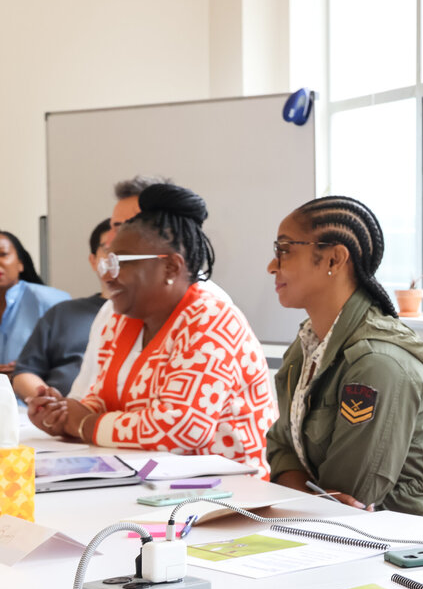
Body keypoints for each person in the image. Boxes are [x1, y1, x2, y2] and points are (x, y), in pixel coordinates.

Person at [26, 184, 277, 470]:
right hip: (145, 481)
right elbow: (104, 399)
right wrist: (61, 416)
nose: (107, 275)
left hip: (226, 495)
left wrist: (84, 423)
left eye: (120, 263)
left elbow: (183, 427)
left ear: (170, 267)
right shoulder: (121, 319)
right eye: (107, 262)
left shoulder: (210, 318)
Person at [265, 195, 423, 519]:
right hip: (323, 529)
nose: (273, 265)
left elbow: (351, 499)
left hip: (402, 544)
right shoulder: (307, 346)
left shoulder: (378, 365)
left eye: (284, 250)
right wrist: (305, 494)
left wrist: (300, 495)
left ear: (333, 260)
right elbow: (281, 448)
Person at [69, 175, 172, 399]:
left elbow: (175, 425)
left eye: (120, 227)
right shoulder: (112, 310)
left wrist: (85, 423)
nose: (109, 240)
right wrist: (60, 415)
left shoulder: (206, 310)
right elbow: (84, 395)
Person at [12, 219, 110, 400]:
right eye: (108, 249)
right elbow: (24, 373)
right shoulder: (62, 313)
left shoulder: (153, 316)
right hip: (58, 416)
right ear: (94, 260)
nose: (117, 257)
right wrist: (52, 403)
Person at [0, 231, 70, 372]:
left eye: (3, 254)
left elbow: (72, 359)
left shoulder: (52, 301)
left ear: (20, 263)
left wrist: (28, 368)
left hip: (36, 390)